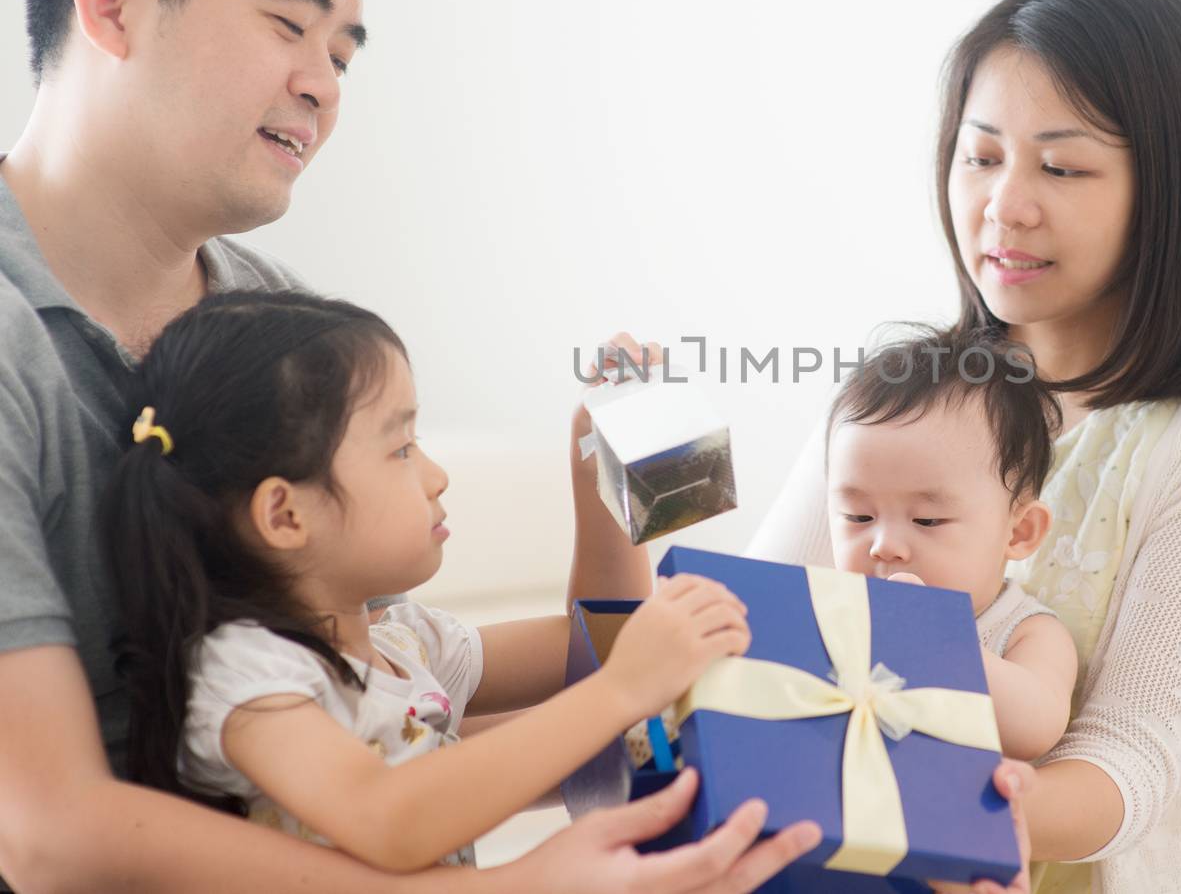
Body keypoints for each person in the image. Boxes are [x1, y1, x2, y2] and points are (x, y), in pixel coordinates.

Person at [0, 0, 822, 889]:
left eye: (340, 53)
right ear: (112, 4)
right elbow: (49, 834)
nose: (323, 85)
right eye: (290, 24)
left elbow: (398, 726)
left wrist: (618, 512)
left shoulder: (281, 326)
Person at [748, 0, 1181, 894]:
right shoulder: (909, 404)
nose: (1005, 204)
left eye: (1061, 167)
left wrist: (933, 818)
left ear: (1164, 188)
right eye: (981, 157)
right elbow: (758, 631)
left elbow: (1122, 766)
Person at [105, 289, 756, 871]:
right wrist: (622, 688)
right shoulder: (248, 674)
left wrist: (596, 469)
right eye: (402, 448)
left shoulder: (406, 647)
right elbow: (389, 818)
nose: (436, 476)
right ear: (285, 514)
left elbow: (591, 647)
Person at [824, 326, 1077, 761]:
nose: (883, 545)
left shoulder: (1023, 631)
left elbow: (1037, 726)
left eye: (927, 520)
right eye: (858, 517)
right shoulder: (834, 608)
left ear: (1018, 532)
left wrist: (936, 639)